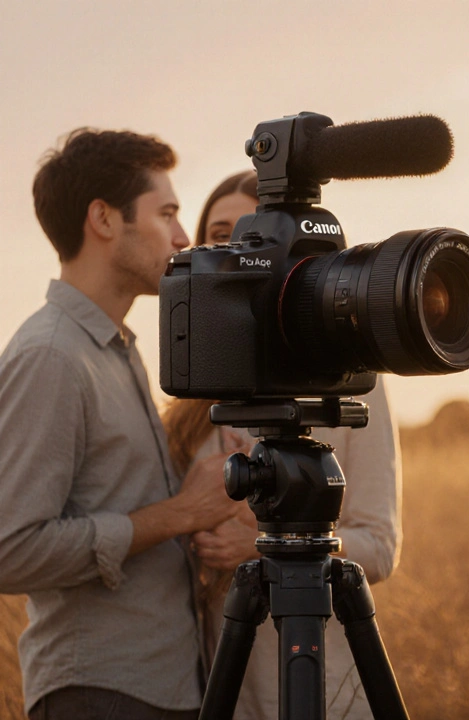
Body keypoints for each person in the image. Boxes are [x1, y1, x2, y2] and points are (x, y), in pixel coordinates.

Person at [0, 128, 240, 719]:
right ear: (104, 220)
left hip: (161, 685)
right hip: (100, 695)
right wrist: (180, 513)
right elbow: (10, 550)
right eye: (167, 214)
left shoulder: (116, 348)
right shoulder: (51, 356)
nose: (184, 238)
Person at [162, 170, 403, 719]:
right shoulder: (190, 403)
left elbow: (380, 544)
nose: (232, 247)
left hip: (332, 692)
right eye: (218, 234)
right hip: (227, 691)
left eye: (251, 237)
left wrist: (263, 545)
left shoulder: (347, 373)